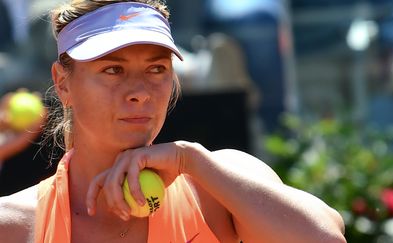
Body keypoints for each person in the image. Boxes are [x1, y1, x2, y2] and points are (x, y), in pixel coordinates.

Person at [0, 1, 346, 242]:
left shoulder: (213, 180)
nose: (140, 92)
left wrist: (189, 159)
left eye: (156, 69)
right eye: (112, 69)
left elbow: (326, 238)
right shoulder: (14, 223)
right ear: (63, 83)